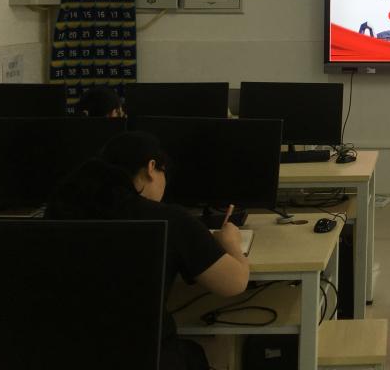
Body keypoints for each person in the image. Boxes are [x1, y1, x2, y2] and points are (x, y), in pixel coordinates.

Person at [46, 130, 249, 370]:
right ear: (151, 167)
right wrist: (231, 242)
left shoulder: (58, 212)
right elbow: (234, 283)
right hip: (146, 357)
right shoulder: (169, 220)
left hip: (62, 354)